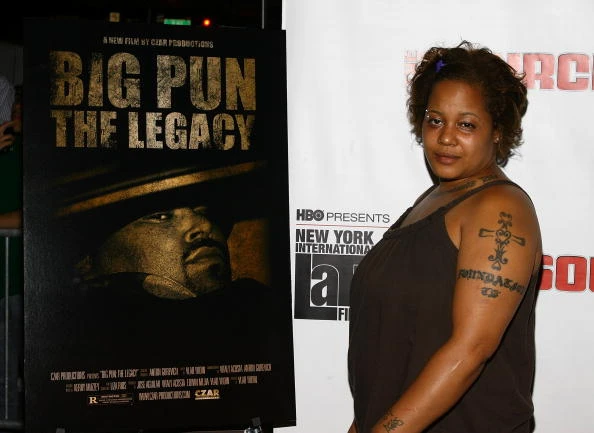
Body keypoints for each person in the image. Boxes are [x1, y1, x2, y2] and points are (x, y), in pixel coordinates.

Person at [347, 41, 542, 433]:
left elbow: (471, 350)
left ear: (498, 132)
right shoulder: (431, 201)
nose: (446, 137)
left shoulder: (499, 208)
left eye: (466, 124)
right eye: (435, 120)